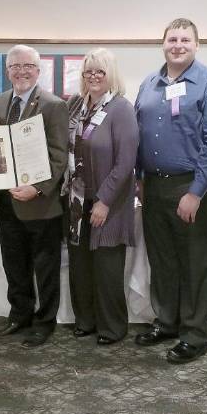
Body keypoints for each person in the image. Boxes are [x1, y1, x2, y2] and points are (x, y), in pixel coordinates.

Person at [134, 18, 207, 363]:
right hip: (153, 186)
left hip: (192, 186)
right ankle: (167, 322)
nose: (178, 45)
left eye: (185, 40)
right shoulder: (150, 83)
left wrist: (195, 191)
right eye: (172, 39)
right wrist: (139, 179)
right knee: (162, 261)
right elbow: (137, 134)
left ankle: (195, 335)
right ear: (163, 43)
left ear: (196, 45)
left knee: (194, 264)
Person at [0, 45, 69, 348]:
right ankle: (19, 314)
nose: (21, 71)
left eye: (27, 66)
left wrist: (36, 188)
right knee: (14, 264)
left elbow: (59, 157)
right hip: (7, 200)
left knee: (45, 268)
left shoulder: (53, 105)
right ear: (7, 70)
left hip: (41, 203)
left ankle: (44, 322)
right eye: (15, 66)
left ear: (38, 70)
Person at [63, 48, 138, 345]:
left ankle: (112, 327)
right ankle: (86, 320)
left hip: (109, 201)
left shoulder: (121, 109)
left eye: (100, 72)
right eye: (88, 72)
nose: (93, 77)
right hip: (77, 200)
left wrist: (105, 201)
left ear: (111, 75)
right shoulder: (75, 106)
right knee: (80, 266)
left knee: (107, 269)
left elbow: (126, 161)